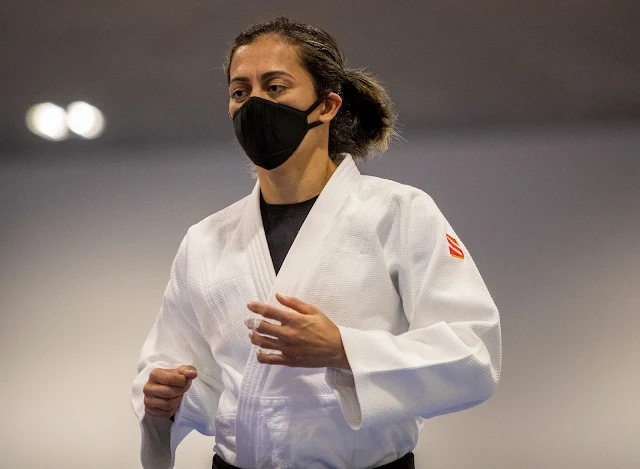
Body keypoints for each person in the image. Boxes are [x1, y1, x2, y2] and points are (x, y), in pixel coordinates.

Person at [131, 16, 502, 469]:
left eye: (276, 86)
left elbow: (473, 356)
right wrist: (163, 396)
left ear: (326, 105)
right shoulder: (205, 241)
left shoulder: (397, 212)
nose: (254, 104)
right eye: (240, 91)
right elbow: (188, 374)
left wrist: (344, 349)